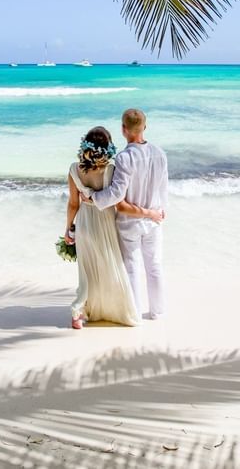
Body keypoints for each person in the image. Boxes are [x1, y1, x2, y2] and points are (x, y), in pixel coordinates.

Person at [64, 126, 163, 329]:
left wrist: (68, 228)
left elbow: (73, 204)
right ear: (107, 147)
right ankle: (114, 309)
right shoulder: (110, 170)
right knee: (109, 268)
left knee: (87, 272)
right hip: (106, 225)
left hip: (84, 224)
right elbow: (117, 202)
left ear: (85, 145)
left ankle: (78, 313)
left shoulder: (74, 169)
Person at [87, 109, 168, 320]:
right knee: (154, 266)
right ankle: (158, 312)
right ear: (145, 127)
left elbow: (116, 194)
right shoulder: (160, 153)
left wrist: (93, 197)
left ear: (124, 130)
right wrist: (160, 211)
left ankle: (135, 314)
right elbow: (163, 188)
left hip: (129, 222)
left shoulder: (124, 158)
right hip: (153, 219)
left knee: (132, 267)